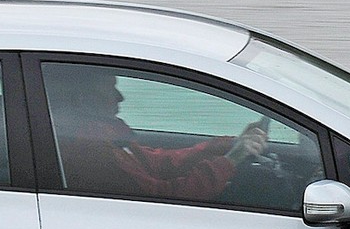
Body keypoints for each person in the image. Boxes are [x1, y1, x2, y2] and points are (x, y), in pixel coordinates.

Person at [47, 66, 269, 202]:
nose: (120, 97)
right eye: (109, 88)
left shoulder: (100, 135)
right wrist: (231, 160)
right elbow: (168, 195)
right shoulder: (88, 149)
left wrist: (227, 146)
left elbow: (159, 162)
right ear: (81, 100)